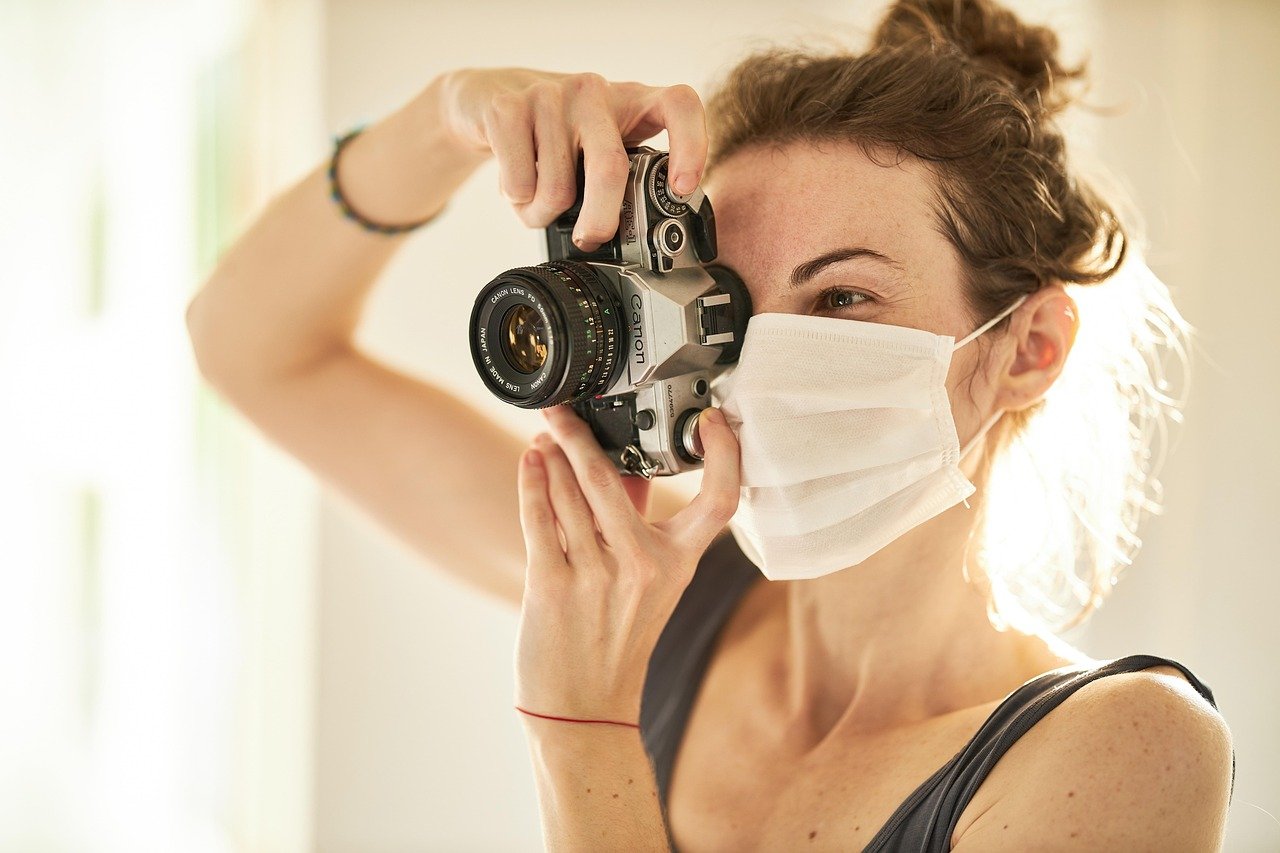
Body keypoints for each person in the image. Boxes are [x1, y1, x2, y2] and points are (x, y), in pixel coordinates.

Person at [185, 0, 1236, 848]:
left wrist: (583, 733)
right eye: (723, 299)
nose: (756, 357)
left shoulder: (1125, 747)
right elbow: (250, 346)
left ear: (1026, 348)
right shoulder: (658, 592)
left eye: (839, 300)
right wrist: (442, 120)